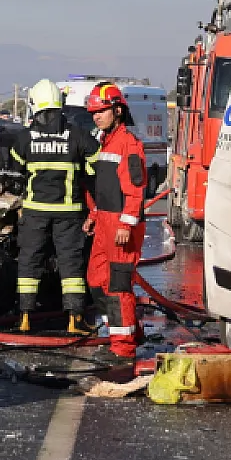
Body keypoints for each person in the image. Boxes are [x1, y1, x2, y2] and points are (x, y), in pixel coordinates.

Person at [9, 79, 97, 335]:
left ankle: (25, 318)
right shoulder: (78, 136)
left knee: (29, 261)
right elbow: (96, 170)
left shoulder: (24, 139)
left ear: (34, 105)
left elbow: (14, 175)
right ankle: (75, 319)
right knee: (71, 264)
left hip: (34, 212)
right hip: (69, 213)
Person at [83, 82, 148, 361]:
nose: (96, 116)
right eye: (94, 113)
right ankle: (125, 331)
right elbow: (106, 189)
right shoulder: (106, 142)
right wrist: (94, 215)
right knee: (96, 280)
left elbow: (135, 189)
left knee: (118, 286)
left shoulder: (128, 144)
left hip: (122, 227)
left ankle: (123, 349)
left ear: (118, 111)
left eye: (101, 111)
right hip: (104, 224)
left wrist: (126, 225)